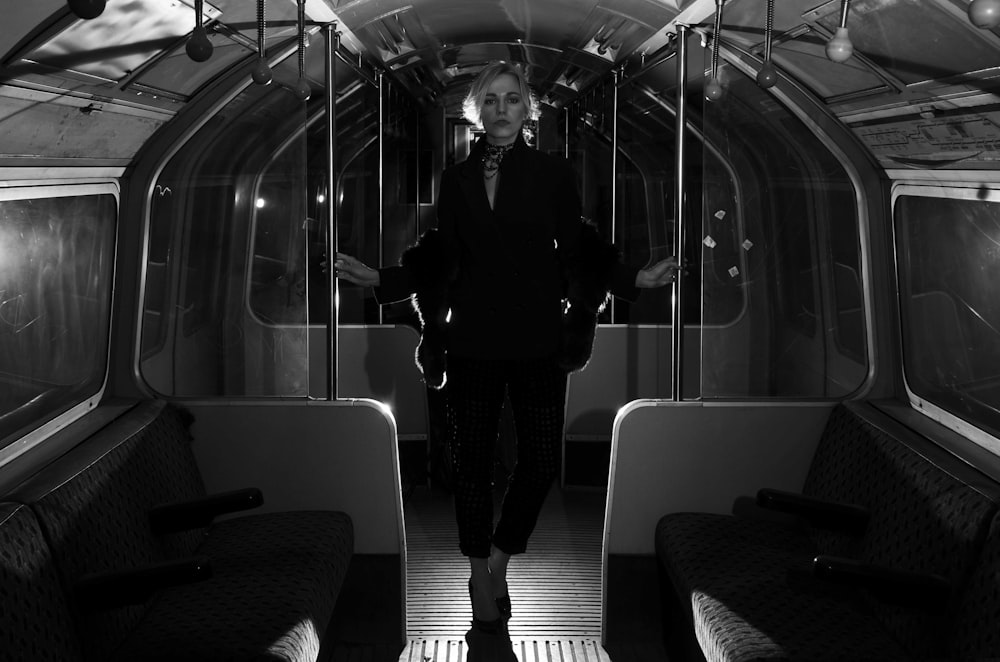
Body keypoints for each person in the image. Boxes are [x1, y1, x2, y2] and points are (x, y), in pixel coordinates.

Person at [334, 61, 678, 636]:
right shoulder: (456, 180)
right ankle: (476, 579)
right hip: (472, 340)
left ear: (527, 110)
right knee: (472, 466)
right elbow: (443, 256)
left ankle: (496, 562)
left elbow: (577, 251)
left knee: (540, 461)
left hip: (539, 339)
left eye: (512, 99)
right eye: (490, 99)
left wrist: (635, 281)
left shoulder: (551, 174)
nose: (501, 109)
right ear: (476, 110)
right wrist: (383, 281)